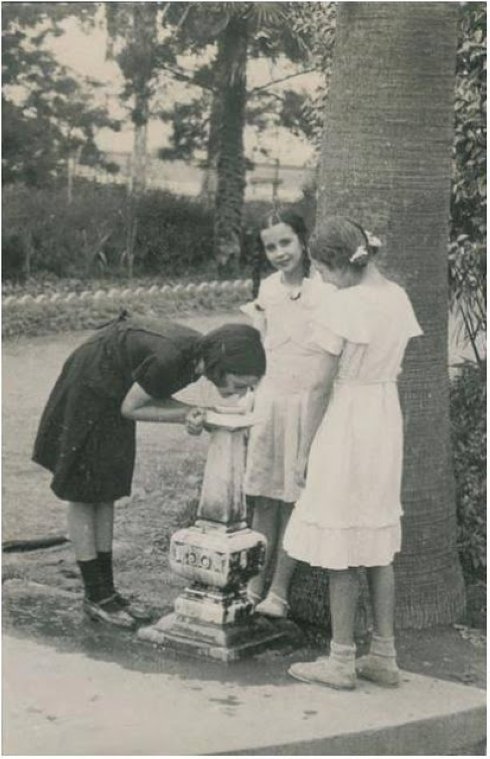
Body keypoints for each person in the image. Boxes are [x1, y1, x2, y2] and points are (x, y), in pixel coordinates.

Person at [32, 313, 265, 629]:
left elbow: (146, 394)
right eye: (239, 384)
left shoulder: (198, 354)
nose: (239, 394)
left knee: (106, 492)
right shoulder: (173, 359)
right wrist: (189, 413)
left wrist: (190, 412)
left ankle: (106, 593)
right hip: (89, 386)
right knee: (83, 494)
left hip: (113, 388)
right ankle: (96, 596)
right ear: (222, 366)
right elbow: (133, 407)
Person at [283, 216, 423, 689]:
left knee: (340, 540)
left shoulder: (344, 306)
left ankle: (341, 659)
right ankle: (384, 653)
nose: (321, 279)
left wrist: (304, 450)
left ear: (339, 265)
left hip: (347, 421)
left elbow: (321, 384)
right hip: (384, 418)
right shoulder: (397, 298)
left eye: (321, 270)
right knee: (377, 541)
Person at [241, 208, 336, 618]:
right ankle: (252, 584)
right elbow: (261, 348)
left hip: (307, 405)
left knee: (295, 500)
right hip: (271, 401)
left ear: (303, 241)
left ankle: (279, 591)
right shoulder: (266, 290)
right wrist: (252, 396)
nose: (279, 253)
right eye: (270, 246)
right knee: (264, 497)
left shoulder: (326, 293)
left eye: (286, 243)